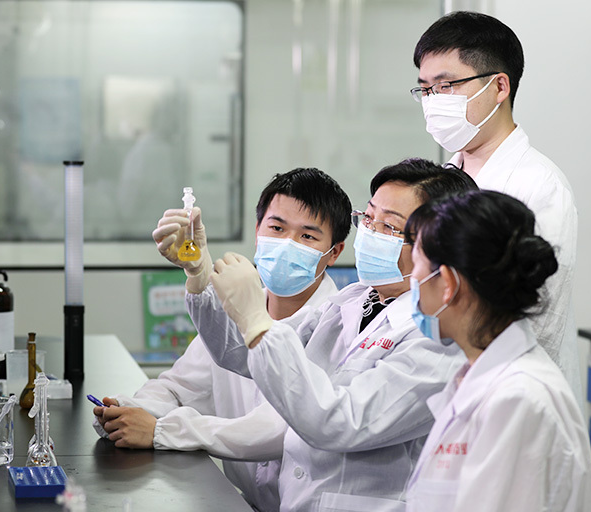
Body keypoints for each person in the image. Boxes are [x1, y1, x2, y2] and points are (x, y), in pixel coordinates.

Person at [187, 158, 477, 511]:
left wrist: (256, 320)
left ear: (437, 244)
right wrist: (199, 277)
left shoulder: (439, 340)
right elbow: (244, 356)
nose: (370, 234)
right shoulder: (352, 300)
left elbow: (339, 421)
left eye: (389, 226)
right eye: (368, 218)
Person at [92, 168, 351, 512]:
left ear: (333, 252)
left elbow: (279, 430)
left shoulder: (341, 325)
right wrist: (130, 412)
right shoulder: (235, 307)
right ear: (257, 232)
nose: (287, 244)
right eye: (277, 228)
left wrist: (160, 430)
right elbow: (179, 388)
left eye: (307, 236)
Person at [411, 11, 581, 405]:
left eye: (446, 85)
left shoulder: (539, 186)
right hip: (444, 386)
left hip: (510, 395)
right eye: (425, 89)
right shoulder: (443, 179)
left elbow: (539, 318)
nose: (433, 101)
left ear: (499, 86)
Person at [404, 190, 591, 512]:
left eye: (416, 265)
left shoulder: (518, 400)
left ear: (449, 284)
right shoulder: (482, 377)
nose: (412, 279)